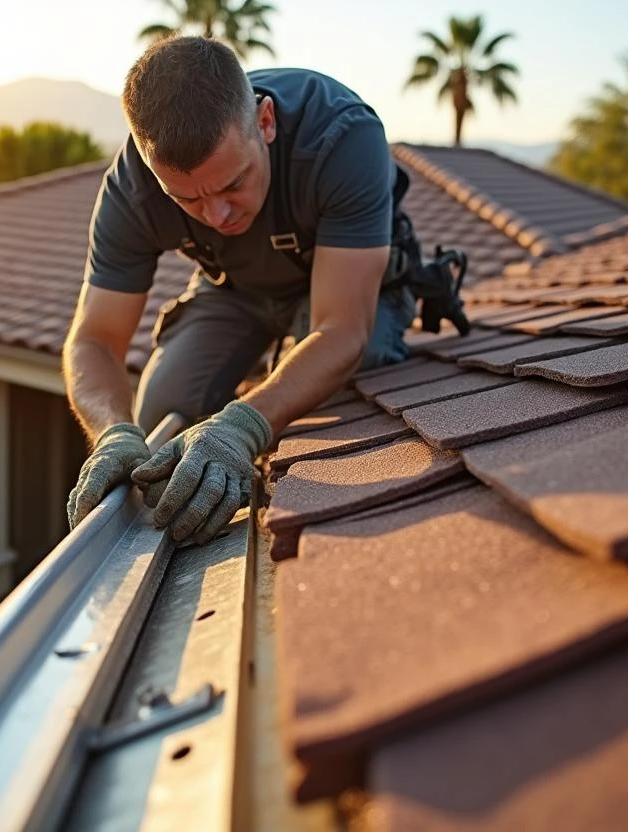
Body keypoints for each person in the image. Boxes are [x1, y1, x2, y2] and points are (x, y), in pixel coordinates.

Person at [63, 35, 418, 546]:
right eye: (188, 199)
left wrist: (243, 426)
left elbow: (341, 329)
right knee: (156, 421)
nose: (219, 216)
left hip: (342, 285)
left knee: (333, 405)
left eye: (234, 184)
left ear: (266, 122)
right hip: (232, 291)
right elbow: (93, 341)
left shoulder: (343, 137)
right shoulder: (133, 190)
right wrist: (111, 433)